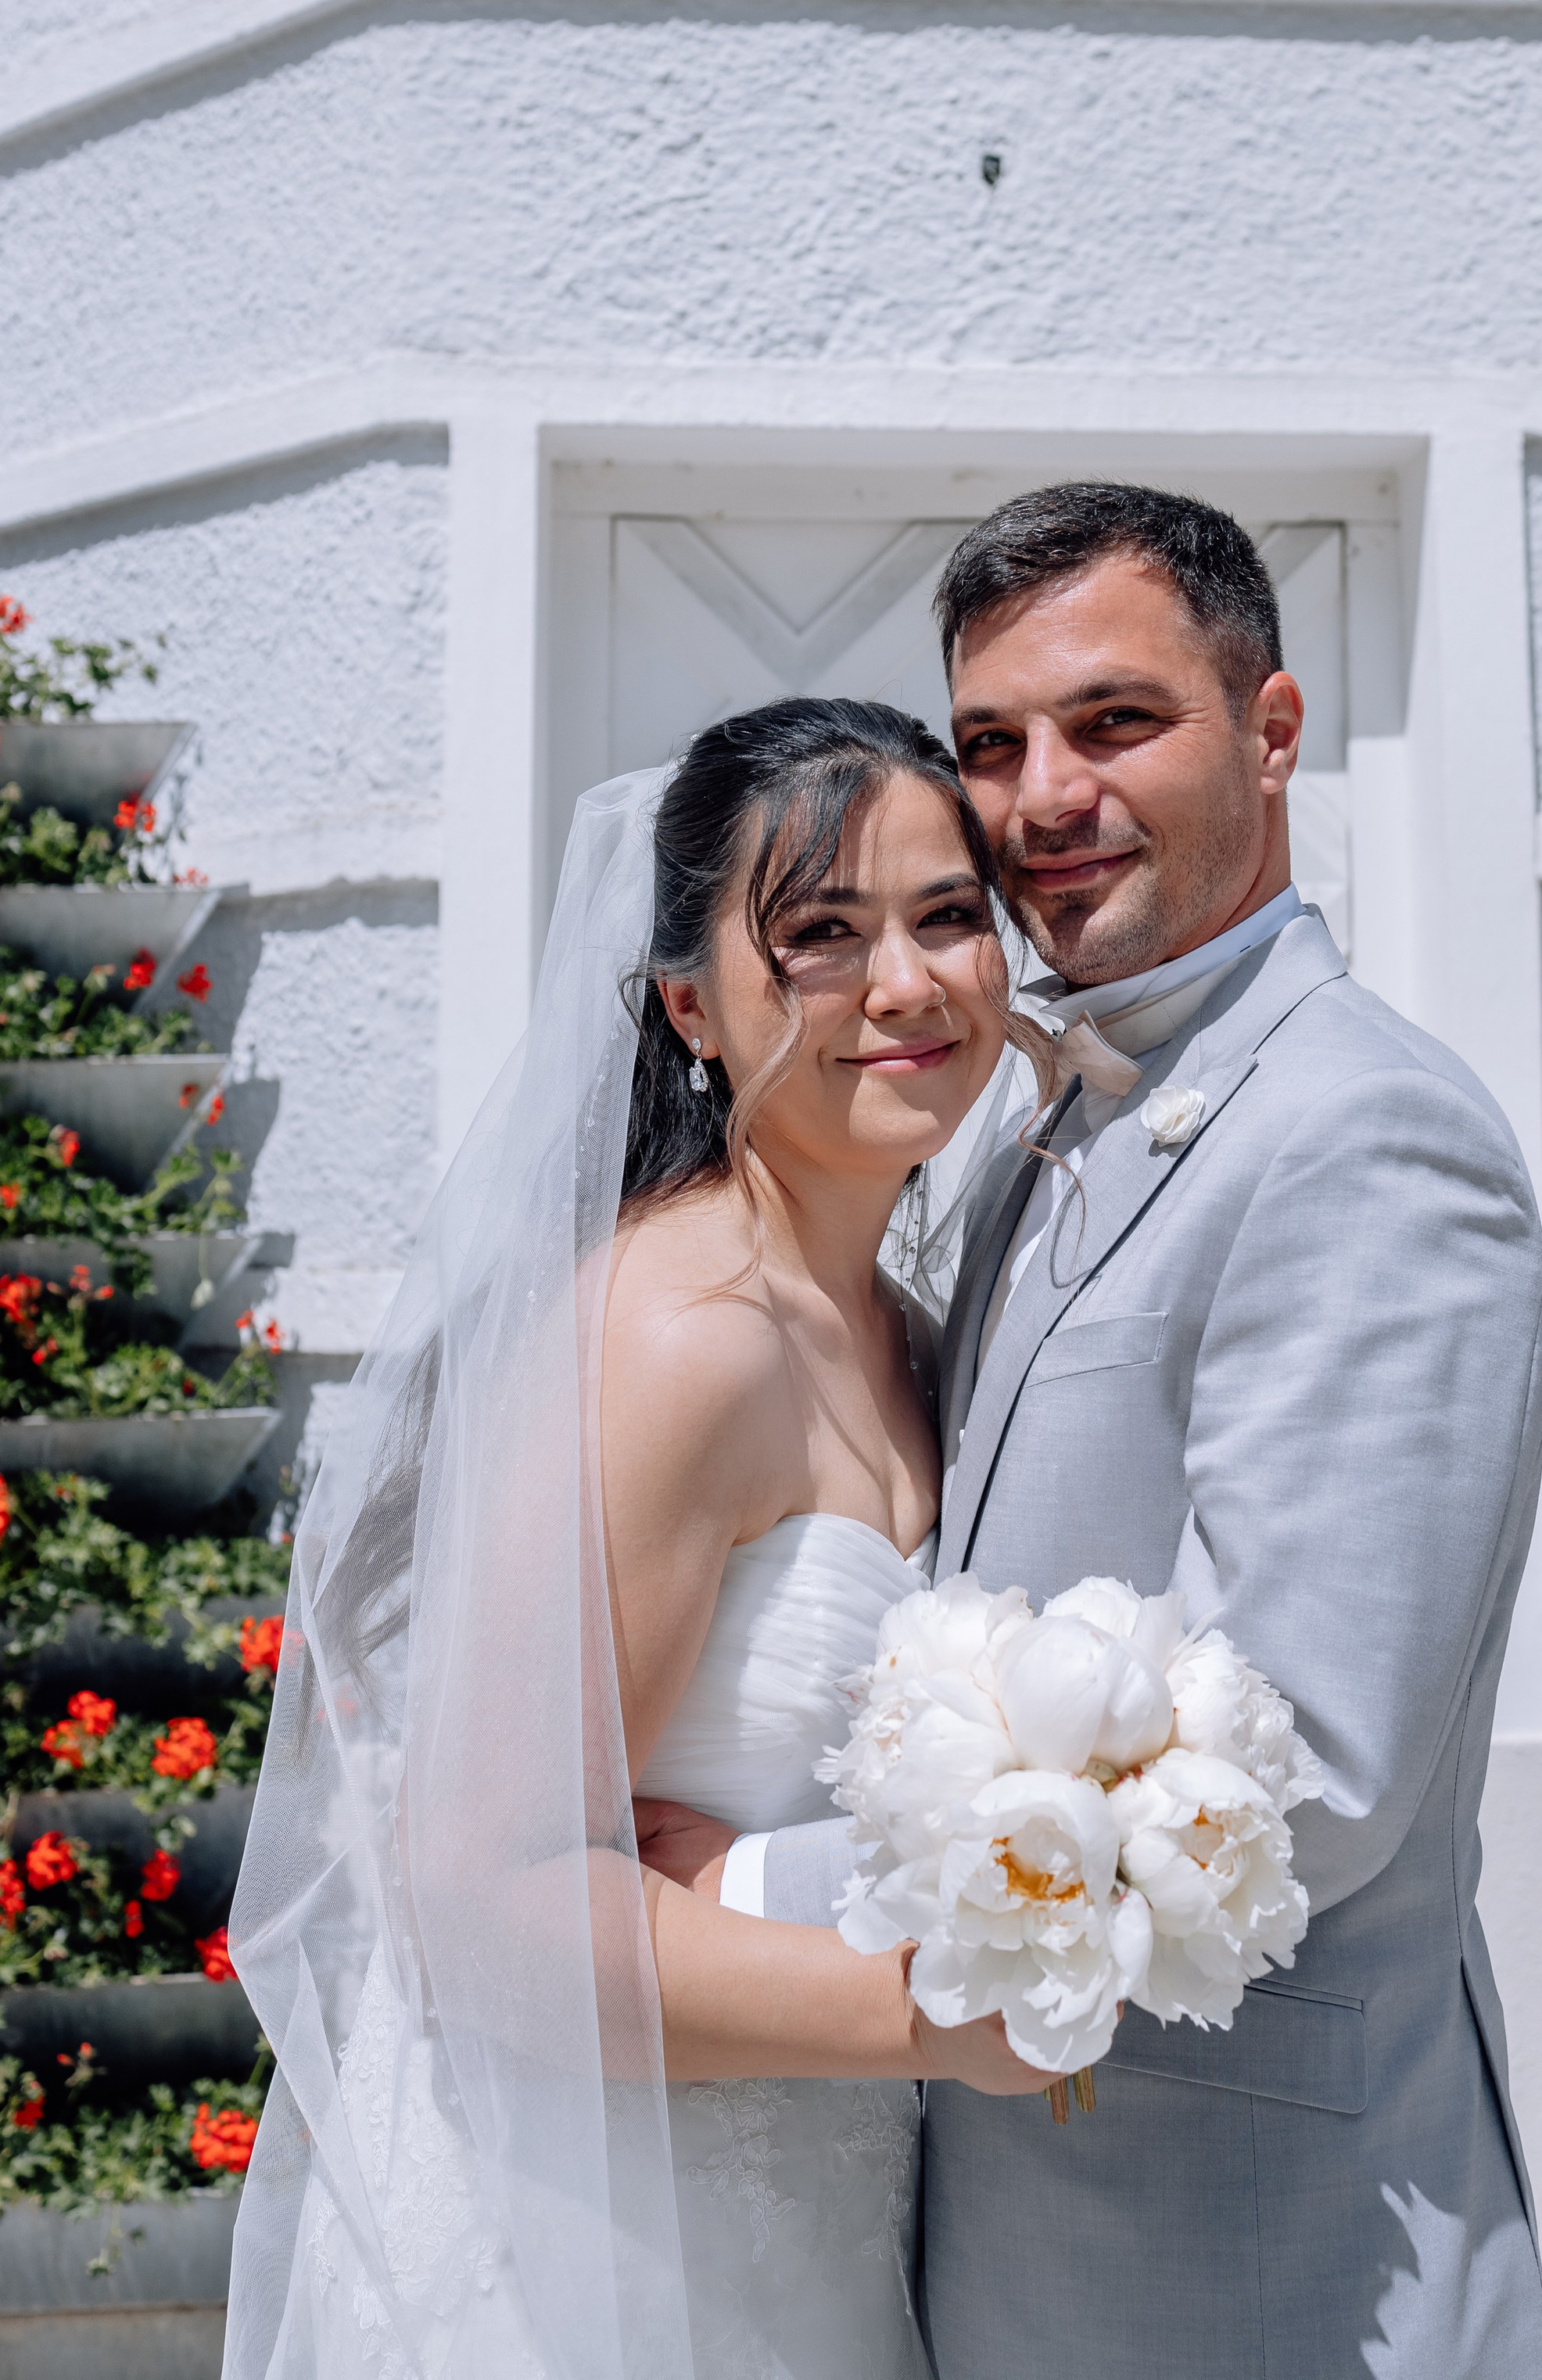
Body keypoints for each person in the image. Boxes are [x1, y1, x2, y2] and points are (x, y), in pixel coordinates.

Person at [642, 484, 1542, 2380]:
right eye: (992, 743)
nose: (1039, 793)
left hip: (1254, 2264)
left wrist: (740, 1887)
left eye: (1114, 722)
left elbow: (1293, 1773)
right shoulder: (1018, 1125)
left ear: (1273, 728)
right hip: (964, 2238)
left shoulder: (1364, 1143)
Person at [221, 698, 1050, 2380]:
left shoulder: (895, 1322)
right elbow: (480, 1907)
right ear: (690, 1005)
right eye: (818, 934)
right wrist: (940, 2019)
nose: (903, 985)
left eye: (947, 916)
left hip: (805, 2232)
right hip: (585, 2254)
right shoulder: (683, 1334)